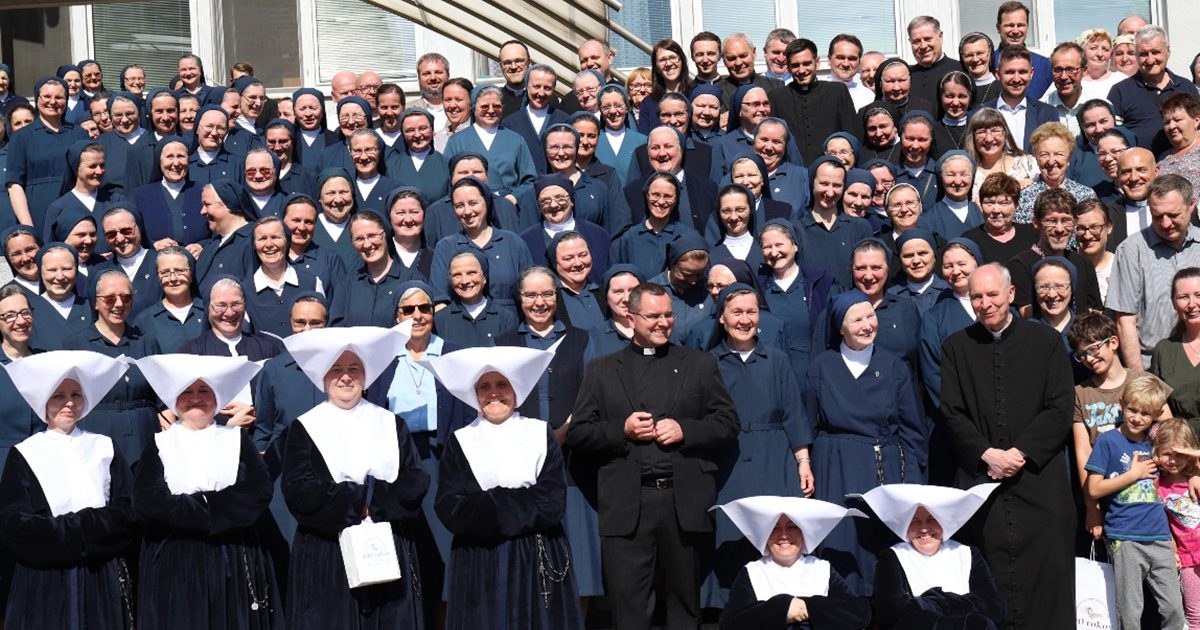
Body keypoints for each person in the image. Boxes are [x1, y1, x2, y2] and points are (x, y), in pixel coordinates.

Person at [568, 282, 739, 630]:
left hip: (683, 502)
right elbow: (579, 432)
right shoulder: (602, 370)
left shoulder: (700, 364)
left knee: (684, 607)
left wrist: (686, 430)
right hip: (627, 503)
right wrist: (622, 430)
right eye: (653, 317)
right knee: (629, 611)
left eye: (668, 315)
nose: (663, 323)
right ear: (630, 318)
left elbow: (728, 422)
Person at [940, 262, 1076, 629]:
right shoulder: (956, 347)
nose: (984, 304)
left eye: (992, 295)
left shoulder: (1046, 342)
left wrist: (1019, 453)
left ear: (1011, 294)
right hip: (984, 483)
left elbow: (1060, 406)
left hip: (1038, 481)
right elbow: (952, 412)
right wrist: (987, 454)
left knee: (1048, 582)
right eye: (977, 297)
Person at [421, 345, 584, 629]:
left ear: (516, 390)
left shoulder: (539, 433)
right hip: (479, 559)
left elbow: (552, 500)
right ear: (474, 394)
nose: (494, 393)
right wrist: (510, 503)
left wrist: (492, 503)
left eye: (502, 384)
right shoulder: (460, 441)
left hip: (535, 554)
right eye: (485, 386)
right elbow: (449, 505)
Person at [281, 326, 430, 628]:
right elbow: (298, 490)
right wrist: (358, 502)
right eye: (336, 370)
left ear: (365, 376)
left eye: (353, 369)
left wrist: (373, 504)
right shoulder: (305, 426)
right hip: (328, 552)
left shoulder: (390, 422)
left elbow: (415, 480)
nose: (346, 377)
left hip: (386, 546)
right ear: (323, 378)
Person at [130, 353, 280, 629]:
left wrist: (198, 508)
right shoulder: (160, 443)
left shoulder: (236, 440)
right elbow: (147, 501)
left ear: (218, 398)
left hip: (232, 555)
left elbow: (257, 491)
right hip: (176, 558)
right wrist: (210, 509)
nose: (196, 398)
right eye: (187, 391)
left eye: (204, 391)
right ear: (175, 399)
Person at [0, 350, 136, 628]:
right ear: (43, 401)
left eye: (76, 395)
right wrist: (73, 532)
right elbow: (14, 523)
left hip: (101, 574)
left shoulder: (104, 446)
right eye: (59, 396)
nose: (69, 404)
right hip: (45, 579)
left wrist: (83, 528)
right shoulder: (26, 452)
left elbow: (127, 510)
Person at [805, 289, 925, 595]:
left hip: (882, 468)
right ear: (840, 327)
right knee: (840, 551)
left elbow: (912, 429)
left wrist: (911, 480)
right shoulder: (822, 367)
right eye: (856, 319)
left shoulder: (895, 366)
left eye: (870, 316)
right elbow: (810, 424)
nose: (866, 325)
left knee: (879, 554)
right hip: (836, 468)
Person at [702, 283, 813, 609]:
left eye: (751, 312)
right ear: (722, 317)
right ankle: (735, 610)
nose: (745, 319)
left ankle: (783, 606)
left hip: (774, 456)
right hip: (728, 461)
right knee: (733, 533)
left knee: (777, 532)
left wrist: (803, 461)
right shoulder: (709, 363)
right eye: (737, 312)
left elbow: (794, 412)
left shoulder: (776, 359)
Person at [1085, 373, 1186, 628]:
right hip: (1126, 537)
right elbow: (1094, 488)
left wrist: (1194, 476)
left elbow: (1185, 456)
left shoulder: (1156, 444)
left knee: (1174, 608)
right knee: (1130, 612)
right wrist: (1133, 475)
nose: (1137, 417)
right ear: (1122, 404)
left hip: (1160, 537)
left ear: (1155, 416)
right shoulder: (1108, 441)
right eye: (1132, 409)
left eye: (1145, 413)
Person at [862, 483, 1007, 629]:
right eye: (915, 522)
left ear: (943, 523)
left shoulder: (968, 554)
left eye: (931, 520)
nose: (924, 529)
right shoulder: (893, 557)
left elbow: (994, 607)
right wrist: (961, 613)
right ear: (906, 527)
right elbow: (890, 611)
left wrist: (929, 602)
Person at [714, 496, 872, 629]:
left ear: (803, 533)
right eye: (775, 528)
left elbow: (859, 613)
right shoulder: (754, 572)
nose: (784, 535)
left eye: (792, 527)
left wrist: (808, 606)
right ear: (766, 536)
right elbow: (730, 623)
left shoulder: (820, 568)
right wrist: (782, 608)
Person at [1108, 175, 1200, 368]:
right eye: (1157, 216)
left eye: (1173, 215)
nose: (1166, 224)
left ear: (1192, 205)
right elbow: (1125, 321)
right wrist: (1139, 380)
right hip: (1154, 367)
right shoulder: (1131, 251)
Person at [1070, 312, 1130, 546]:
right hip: (1105, 495)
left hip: (1144, 494)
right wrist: (1091, 506)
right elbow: (1083, 452)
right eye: (1082, 354)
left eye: (1094, 349)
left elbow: (1168, 431)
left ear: (1113, 342)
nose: (1089, 358)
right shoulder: (1081, 393)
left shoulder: (1142, 381)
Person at [429, 176, 534, 311]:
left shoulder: (513, 243)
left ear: (487, 202)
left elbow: (530, 292)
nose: (467, 212)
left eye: (473, 203)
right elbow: (440, 301)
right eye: (459, 206)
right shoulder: (445, 247)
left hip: (511, 325)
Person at [5, 77, 87, 232]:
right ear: (37, 100)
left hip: (76, 212)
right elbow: (15, 184)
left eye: (59, 97)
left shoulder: (80, 134)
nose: (53, 102)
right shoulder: (22, 137)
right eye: (47, 97)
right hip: (36, 213)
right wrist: (27, 225)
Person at [1006, 188, 1103, 316]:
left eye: (1066, 220)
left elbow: (1095, 312)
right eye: (1051, 221)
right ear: (1036, 223)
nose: (1059, 229)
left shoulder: (1083, 263)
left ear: (1075, 223)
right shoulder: (1020, 265)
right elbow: (1026, 315)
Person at [1108, 25, 1199, 155]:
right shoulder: (1120, 92)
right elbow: (1113, 139)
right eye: (1144, 54)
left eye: (1156, 52)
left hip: (1185, 167)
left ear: (1168, 52)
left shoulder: (1187, 87)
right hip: (1140, 172)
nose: (1150, 60)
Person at [768, 38, 860, 163]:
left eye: (806, 64)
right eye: (795, 65)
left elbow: (852, 137)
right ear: (788, 67)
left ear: (817, 62)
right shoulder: (776, 97)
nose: (801, 71)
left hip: (832, 170)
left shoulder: (837, 92)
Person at [444, 85, 536, 204]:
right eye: (484, 107)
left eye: (496, 106)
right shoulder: (457, 141)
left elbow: (530, 181)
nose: (491, 111)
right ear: (473, 108)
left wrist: (514, 198)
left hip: (508, 207)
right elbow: (446, 181)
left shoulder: (515, 140)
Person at [797, 156, 873, 289]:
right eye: (824, 184)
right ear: (812, 182)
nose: (830, 192)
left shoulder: (859, 227)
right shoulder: (797, 230)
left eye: (837, 185)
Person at [1152, 418, 1200, 628]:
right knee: (1194, 613)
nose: (1173, 460)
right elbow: (1164, 525)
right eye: (1167, 454)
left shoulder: (1197, 477)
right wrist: (1172, 551)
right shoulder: (1157, 486)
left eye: (1180, 454)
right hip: (1188, 557)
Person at [976, 46, 1060, 151]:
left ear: (1031, 74)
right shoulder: (977, 115)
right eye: (1010, 72)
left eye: (1022, 72)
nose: (1016, 79)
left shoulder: (1047, 114)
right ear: (998, 74)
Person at [133, 135, 209, 248]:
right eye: (170, 157)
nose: (176, 163)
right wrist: (153, 245)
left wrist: (202, 246)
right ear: (159, 161)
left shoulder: (204, 192)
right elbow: (133, 235)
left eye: (181, 156)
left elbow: (219, 231)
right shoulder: (141, 196)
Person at [1014, 123, 1098, 224]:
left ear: (1069, 158)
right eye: (1044, 155)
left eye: (1058, 154)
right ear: (1036, 158)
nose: (1051, 161)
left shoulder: (1085, 195)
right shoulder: (1023, 198)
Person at [433, 250, 518, 348]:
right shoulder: (439, 320)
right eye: (457, 275)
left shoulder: (505, 318)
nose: (465, 281)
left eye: (471, 273)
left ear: (484, 277)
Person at [0, 285, 44, 467]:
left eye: (25, 313)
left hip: (43, 464)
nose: (20, 321)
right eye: (10, 315)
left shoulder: (46, 363)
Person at [1151, 268, 1200, 418]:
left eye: (1198, 295)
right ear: (1173, 302)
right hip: (1179, 438)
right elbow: (1158, 403)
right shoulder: (1164, 350)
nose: (1192, 304)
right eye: (1184, 297)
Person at [961, 172, 1038, 265]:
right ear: (981, 205)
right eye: (990, 203)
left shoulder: (1033, 234)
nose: (996, 210)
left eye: (1004, 203)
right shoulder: (970, 240)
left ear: (1016, 205)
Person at [195, 181, 256, 295]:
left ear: (228, 204)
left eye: (207, 204)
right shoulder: (210, 246)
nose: (202, 211)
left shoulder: (253, 241)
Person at [965, 108, 1037, 202]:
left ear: (1005, 133)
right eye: (982, 132)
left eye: (995, 131)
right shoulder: (968, 173)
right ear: (973, 137)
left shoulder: (1027, 164)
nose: (989, 139)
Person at [386, 109, 450, 204]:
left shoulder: (447, 164)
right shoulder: (391, 165)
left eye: (422, 128)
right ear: (402, 133)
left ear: (432, 130)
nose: (417, 135)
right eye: (410, 130)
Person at [993, 1, 1053, 99]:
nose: (1016, 31)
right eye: (1010, 25)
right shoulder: (987, 64)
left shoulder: (1044, 66)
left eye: (1020, 25)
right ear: (998, 28)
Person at [922, 151, 982, 240]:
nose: (958, 181)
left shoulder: (982, 213)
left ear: (972, 177)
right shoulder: (928, 221)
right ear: (941, 178)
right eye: (951, 175)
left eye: (964, 174)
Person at [908, 17, 961, 107]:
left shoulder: (960, 70)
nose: (923, 46)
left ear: (940, 37)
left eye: (928, 39)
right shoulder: (906, 75)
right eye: (916, 42)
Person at [1040, 42, 1088, 137]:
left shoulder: (1099, 106)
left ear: (1084, 71)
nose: (1063, 77)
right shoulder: (1041, 109)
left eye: (1071, 70)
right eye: (1058, 70)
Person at [1074, 199, 1116, 300]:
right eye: (1081, 228)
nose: (1087, 236)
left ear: (1109, 227)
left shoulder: (1121, 267)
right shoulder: (1067, 268)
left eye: (1095, 227)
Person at [1158, 92, 1200, 190]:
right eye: (1167, 122)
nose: (1172, 126)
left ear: (1197, 120)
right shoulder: (1164, 158)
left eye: (1177, 120)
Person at [828, 34, 875, 110]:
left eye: (852, 59)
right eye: (840, 58)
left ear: (859, 62)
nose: (846, 64)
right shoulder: (816, 91)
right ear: (829, 59)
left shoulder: (867, 96)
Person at [1078, 29, 1127, 102]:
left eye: (1105, 49)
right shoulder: (1073, 82)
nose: (1100, 54)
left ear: (1111, 54)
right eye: (1093, 48)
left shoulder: (1121, 81)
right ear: (1082, 53)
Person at [960, 32, 999, 105]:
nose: (975, 59)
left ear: (989, 53)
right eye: (969, 55)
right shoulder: (958, 88)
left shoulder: (1002, 88)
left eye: (980, 53)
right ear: (962, 58)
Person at [498, 40, 534, 118]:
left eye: (519, 61)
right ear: (501, 66)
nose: (513, 67)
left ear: (529, 63)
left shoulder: (545, 98)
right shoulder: (494, 102)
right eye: (507, 62)